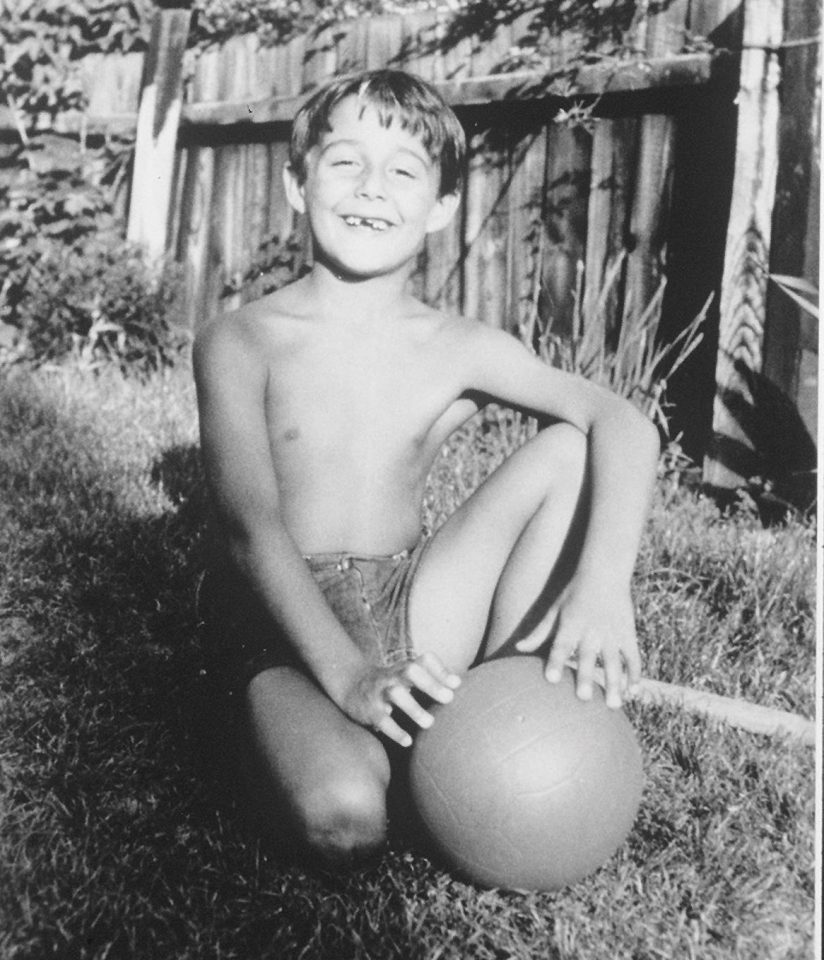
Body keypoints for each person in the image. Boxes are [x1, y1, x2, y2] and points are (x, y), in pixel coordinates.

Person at [194, 69, 659, 867]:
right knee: (344, 818)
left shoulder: (458, 346)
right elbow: (250, 531)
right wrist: (348, 681)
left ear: (442, 207)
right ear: (297, 183)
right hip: (283, 615)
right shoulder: (242, 340)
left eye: (404, 171)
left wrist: (602, 588)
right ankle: (330, 743)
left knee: (571, 449)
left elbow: (623, 421)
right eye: (344, 163)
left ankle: (508, 694)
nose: (371, 189)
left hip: (413, 600)